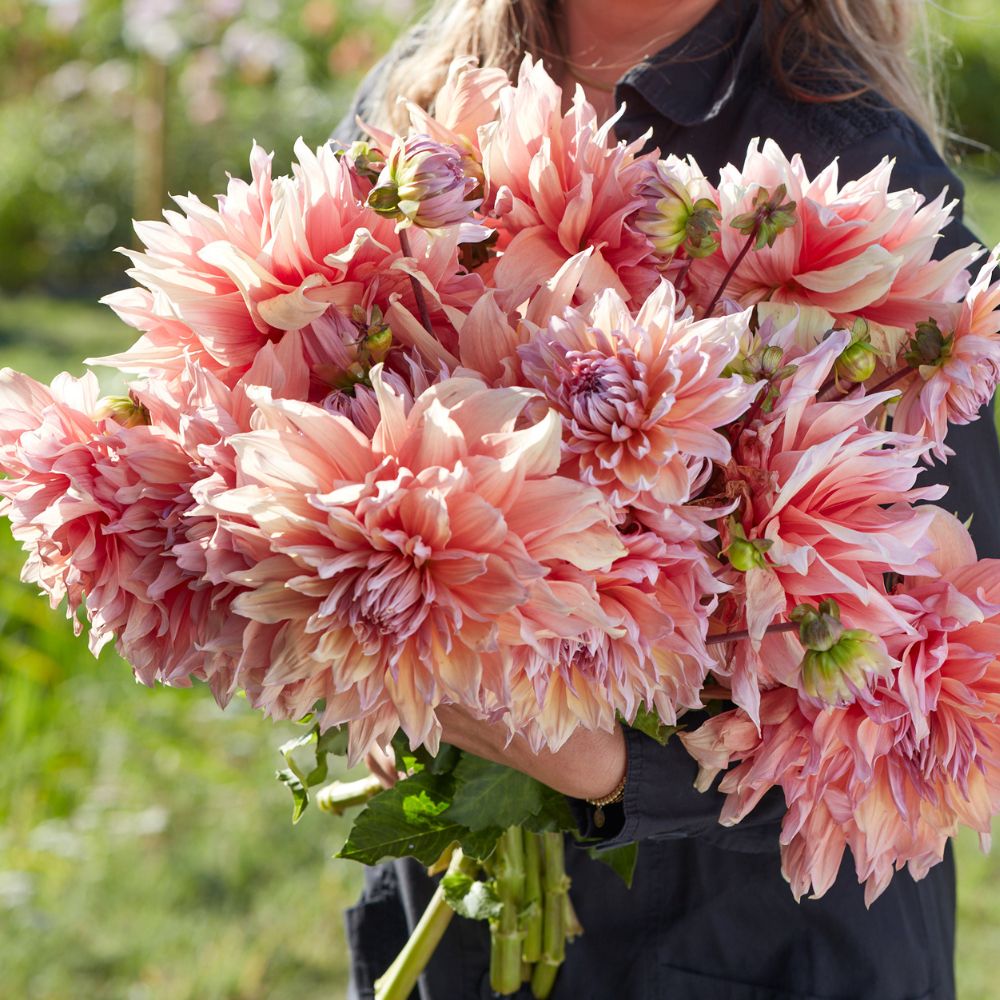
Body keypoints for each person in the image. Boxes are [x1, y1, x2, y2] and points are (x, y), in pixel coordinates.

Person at [332, 1, 1000, 997]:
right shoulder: (418, 93)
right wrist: (380, 652)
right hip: (462, 942)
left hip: (754, 948)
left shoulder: (853, 169)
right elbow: (313, 421)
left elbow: (941, 680)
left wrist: (609, 771)